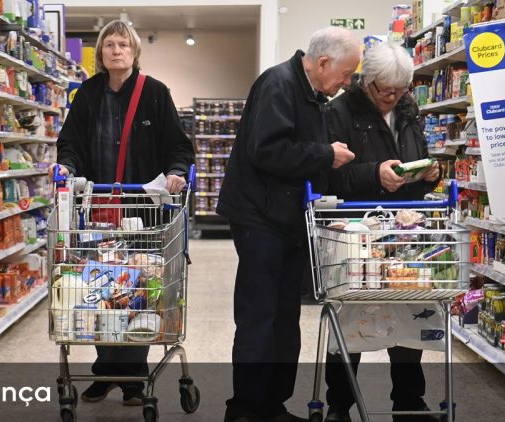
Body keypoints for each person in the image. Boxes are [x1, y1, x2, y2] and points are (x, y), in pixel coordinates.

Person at [217, 27, 360, 422]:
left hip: (289, 219)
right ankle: (244, 409)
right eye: (346, 74)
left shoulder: (312, 94)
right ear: (324, 62)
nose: (347, 84)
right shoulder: (278, 84)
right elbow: (267, 151)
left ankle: (272, 404)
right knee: (259, 318)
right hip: (260, 218)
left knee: (285, 319)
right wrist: (324, 154)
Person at [52, 20, 194, 406]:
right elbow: (72, 143)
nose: (116, 51)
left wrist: (178, 173)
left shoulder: (155, 93)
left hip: (142, 211)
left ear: (134, 52)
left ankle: (131, 378)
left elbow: (179, 147)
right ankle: (104, 372)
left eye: (123, 45)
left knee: (136, 291)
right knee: (102, 288)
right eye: (109, 45)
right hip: (97, 209)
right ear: (100, 53)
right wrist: (66, 167)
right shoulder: (87, 94)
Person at [322, 42, 441, 422]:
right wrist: (374, 173)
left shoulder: (408, 112)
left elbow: (414, 175)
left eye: (399, 89)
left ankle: (408, 399)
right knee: (351, 317)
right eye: (384, 90)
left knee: (409, 311)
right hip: (353, 227)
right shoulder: (338, 113)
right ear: (366, 82)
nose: (391, 97)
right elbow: (328, 173)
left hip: (401, 227)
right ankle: (340, 402)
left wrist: (426, 176)